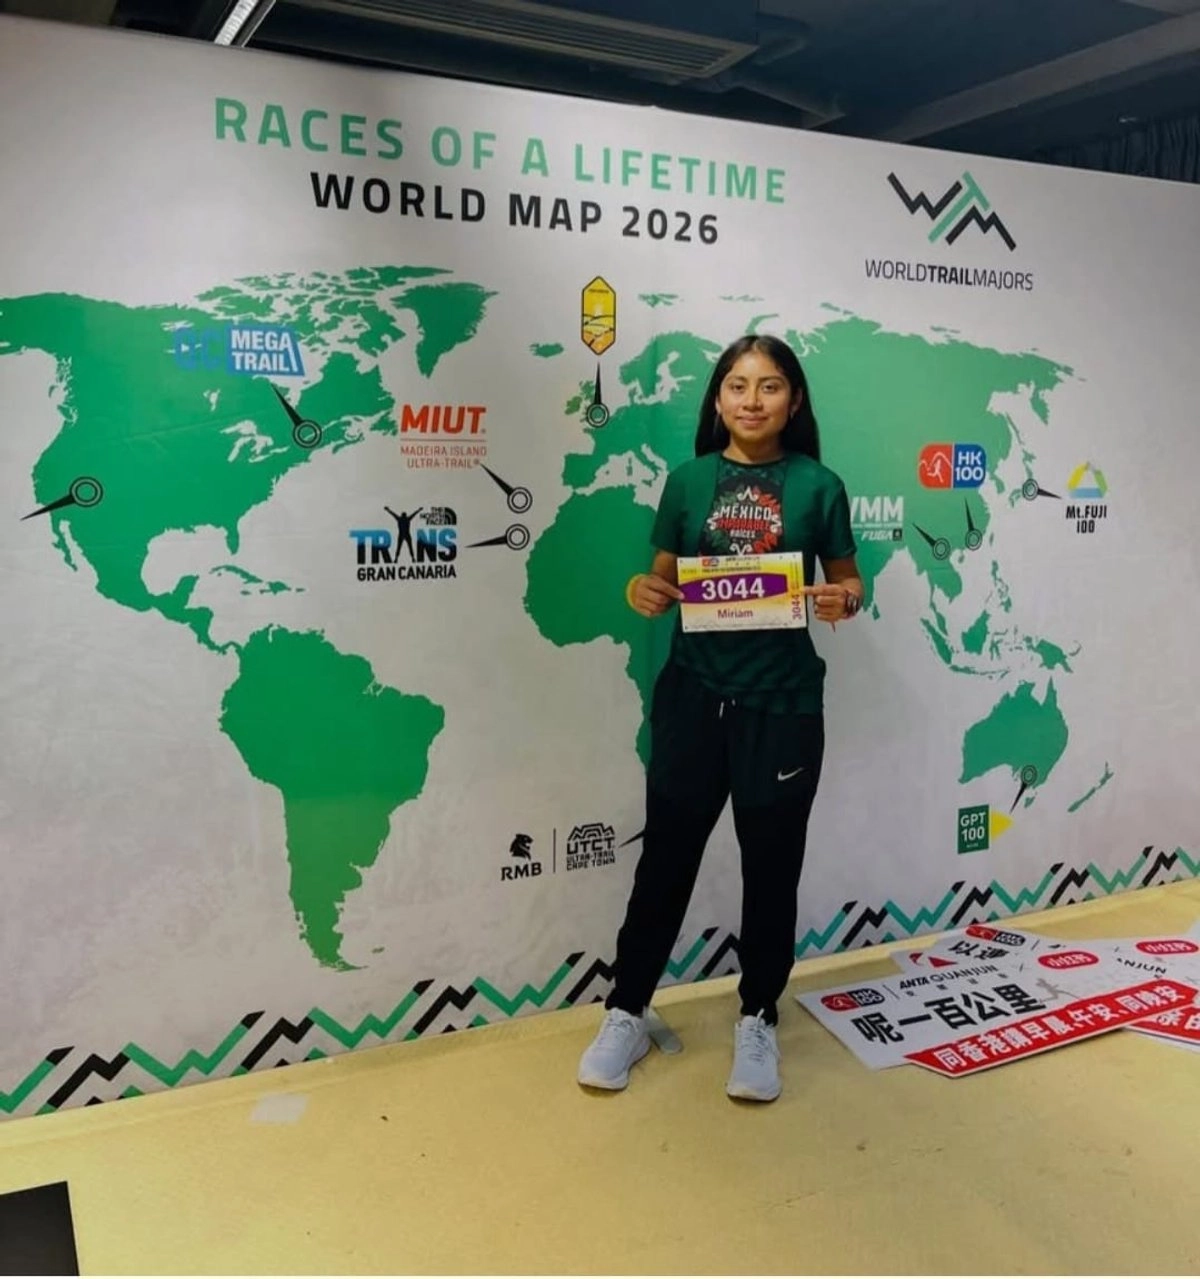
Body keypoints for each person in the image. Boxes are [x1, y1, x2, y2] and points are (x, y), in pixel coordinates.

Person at [577, 333, 863, 1104]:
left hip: (782, 705)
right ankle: (627, 1008)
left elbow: (848, 582)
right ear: (718, 398)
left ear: (793, 401)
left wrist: (843, 598)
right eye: (737, 385)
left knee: (771, 867)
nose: (751, 400)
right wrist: (641, 590)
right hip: (694, 697)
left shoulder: (819, 486)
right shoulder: (687, 481)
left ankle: (758, 1014)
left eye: (769, 386)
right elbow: (660, 578)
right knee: (665, 860)